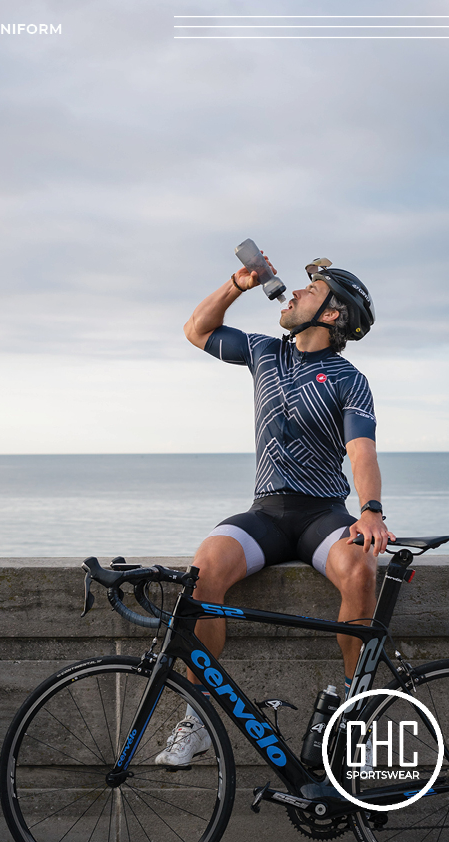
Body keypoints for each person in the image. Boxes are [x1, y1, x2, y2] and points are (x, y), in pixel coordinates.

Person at [155, 255, 395, 766]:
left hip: (321, 515)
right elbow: (197, 330)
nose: (294, 295)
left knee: (358, 568)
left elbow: (362, 452)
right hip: (264, 512)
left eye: (312, 291)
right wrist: (237, 284)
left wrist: (370, 510)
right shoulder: (264, 352)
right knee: (204, 571)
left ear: (332, 315)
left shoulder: (349, 379)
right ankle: (198, 717)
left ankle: (355, 716)